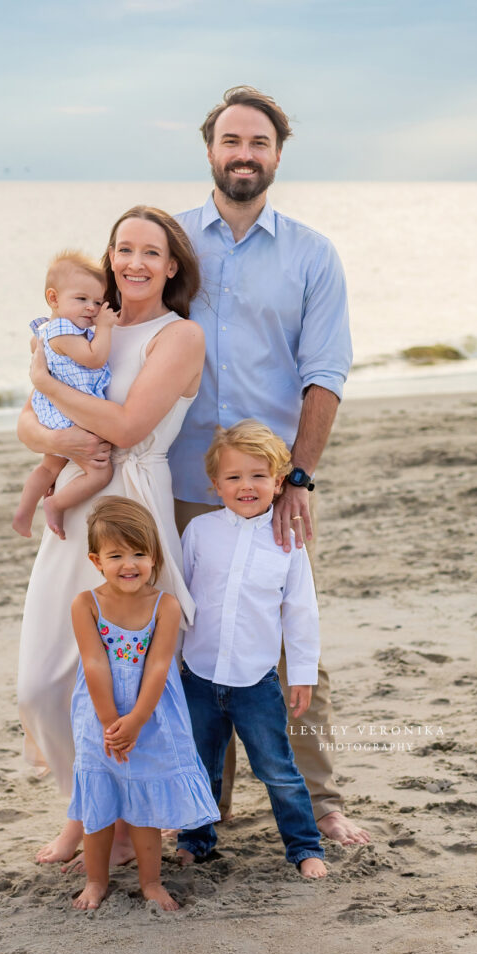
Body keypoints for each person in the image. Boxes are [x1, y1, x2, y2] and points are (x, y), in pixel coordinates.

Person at [170, 85, 370, 847]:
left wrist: (300, 478)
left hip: (270, 485)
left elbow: (325, 371)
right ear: (210, 150)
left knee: (288, 635)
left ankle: (320, 802)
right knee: (187, 644)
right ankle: (198, 807)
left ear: (277, 155)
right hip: (180, 482)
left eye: (258, 142)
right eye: (231, 141)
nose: (243, 154)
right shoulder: (173, 241)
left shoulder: (312, 254)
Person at [16, 206, 205, 868]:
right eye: (123, 248)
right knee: (41, 679)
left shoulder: (178, 336)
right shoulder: (90, 321)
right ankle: (83, 803)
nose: (134, 262)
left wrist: (43, 382)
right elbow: (28, 423)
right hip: (75, 507)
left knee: (124, 677)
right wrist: (55, 434)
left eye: (151, 252)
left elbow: (126, 429)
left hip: (131, 505)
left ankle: (118, 822)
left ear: (172, 265)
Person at [176, 421, 326, 879]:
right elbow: (178, 600)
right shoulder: (200, 532)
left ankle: (304, 848)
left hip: (255, 682)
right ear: (215, 485)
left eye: (259, 476)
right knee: (200, 765)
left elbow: (300, 612)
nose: (247, 486)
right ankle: (195, 842)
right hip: (198, 676)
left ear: (279, 482)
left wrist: (301, 674)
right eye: (234, 477)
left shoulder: (287, 543)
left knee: (277, 769)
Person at [69, 496, 219, 911]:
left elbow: (157, 669)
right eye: (116, 555)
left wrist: (135, 719)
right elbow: (95, 662)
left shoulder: (164, 605)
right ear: (96, 560)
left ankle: (151, 882)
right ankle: (97, 881)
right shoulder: (86, 604)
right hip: (98, 715)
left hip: (151, 716)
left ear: (154, 557)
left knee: (145, 800)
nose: (128, 564)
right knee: (98, 797)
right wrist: (109, 721)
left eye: (139, 553)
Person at [12, 251, 118, 540]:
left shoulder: (51, 329)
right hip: (70, 417)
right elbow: (94, 359)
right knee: (100, 474)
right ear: (54, 299)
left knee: (49, 467)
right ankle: (55, 503)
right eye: (81, 299)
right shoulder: (63, 332)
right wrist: (105, 327)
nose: (91, 308)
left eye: (97, 302)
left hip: (59, 411)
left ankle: (23, 513)